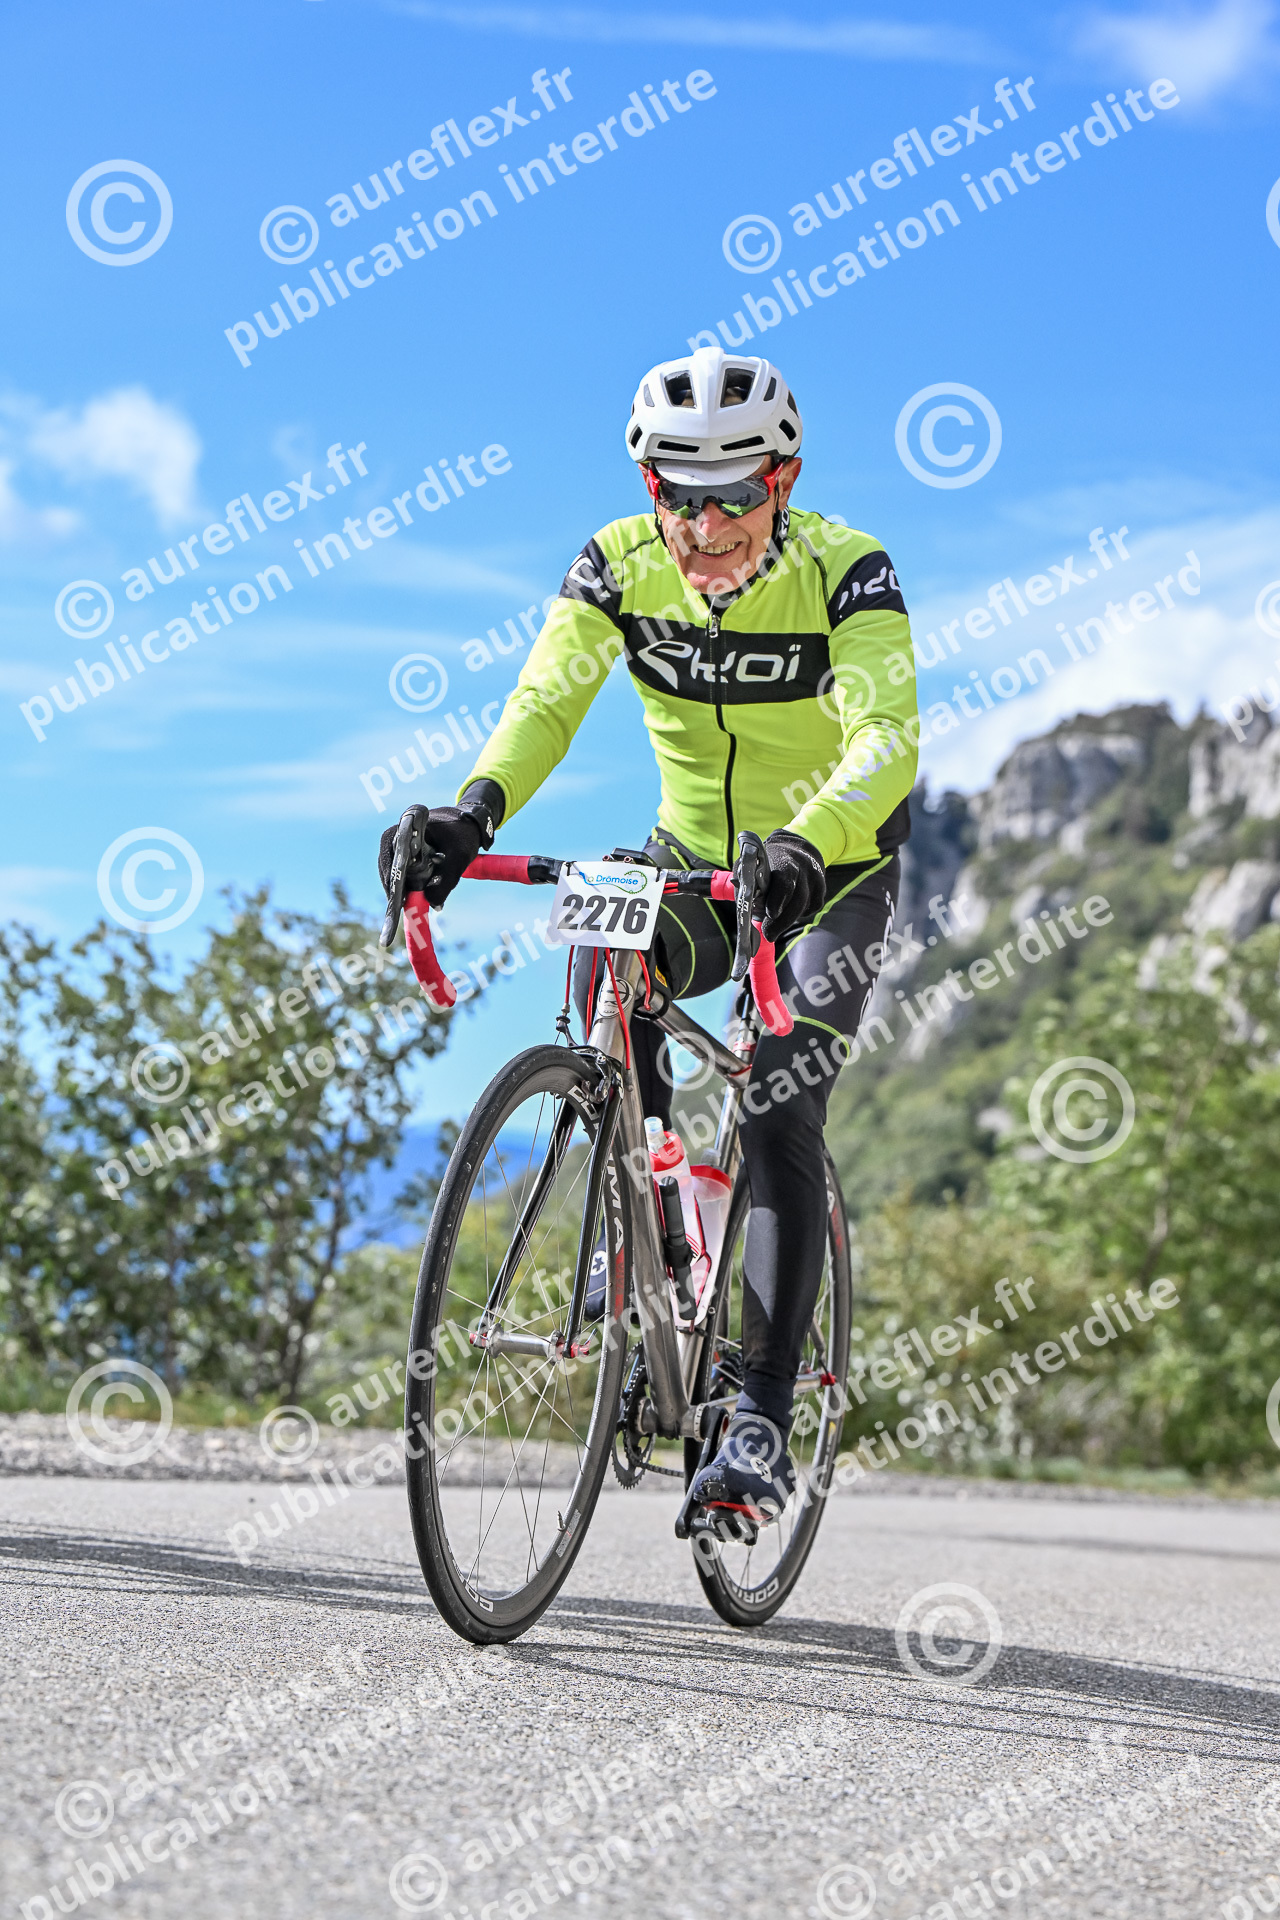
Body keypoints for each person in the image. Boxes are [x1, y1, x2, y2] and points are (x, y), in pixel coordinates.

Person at [379, 345, 917, 1530]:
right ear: (647, 487)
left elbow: (884, 739)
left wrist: (808, 842)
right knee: (611, 975)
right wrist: (471, 814)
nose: (708, 526)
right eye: (682, 497)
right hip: (691, 859)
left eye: (737, 496)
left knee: (777, 1100)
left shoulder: (847, 570)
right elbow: (545, 701)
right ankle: (651, 1233)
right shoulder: (615, 565)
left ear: (783, 480)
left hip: (826, 871)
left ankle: (759, 1415)